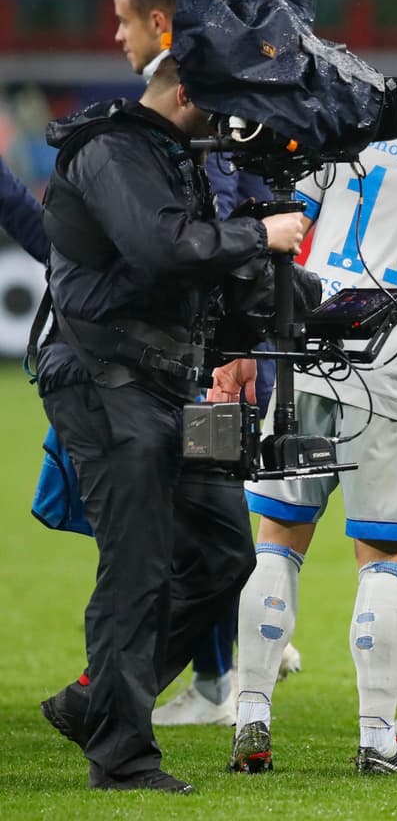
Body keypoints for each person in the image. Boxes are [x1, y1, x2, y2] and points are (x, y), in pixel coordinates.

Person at [223, 40, 397, 775]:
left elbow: (281, 242)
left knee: (277, 539)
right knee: (383, 556)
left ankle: (250, 716)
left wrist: (256, 343)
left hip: (307, 363)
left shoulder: (350, 140)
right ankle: (377, 738)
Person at [35, 57, 307, 793]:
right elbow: (162, 249)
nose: (234, 119)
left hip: (168, 384)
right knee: (138, 567)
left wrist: (309, 304)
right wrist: (259, 234)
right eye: (224, 101)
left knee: (223, 551)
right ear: (187, 92)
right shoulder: (111, 149)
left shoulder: (174, 155)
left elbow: (196, 273)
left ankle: (97, 703)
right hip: (107, 381)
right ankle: (122, 759)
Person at [111, 0, 302, 730]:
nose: (116, 35)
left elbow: (210, 221)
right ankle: (214, 674)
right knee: (207, 520)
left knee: (195, 522)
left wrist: (235, 342)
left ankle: (217, 678)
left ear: (160, 23)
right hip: (209, 343)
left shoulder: (189, 105)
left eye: (124, 19)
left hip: (197, 352)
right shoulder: (223, 95)